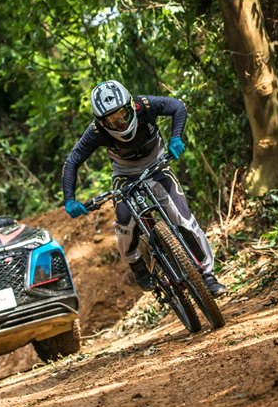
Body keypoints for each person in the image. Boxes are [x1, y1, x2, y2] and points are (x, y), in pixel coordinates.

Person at [61, 80, 227, 297]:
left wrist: (175, 137)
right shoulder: (95, 131)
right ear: (101, 122)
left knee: (184, 218)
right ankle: (136, 263)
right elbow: (72, 161)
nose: (120, 123)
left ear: (131, 106)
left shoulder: (146, 105)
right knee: (124, 222)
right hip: (124, 174)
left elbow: (178, 106)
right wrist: (69, 199)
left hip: (157, 164)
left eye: (122, 114)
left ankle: (207, 276)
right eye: (111, 119)